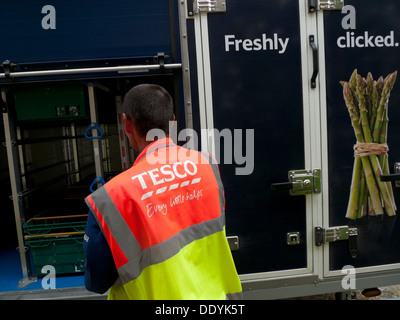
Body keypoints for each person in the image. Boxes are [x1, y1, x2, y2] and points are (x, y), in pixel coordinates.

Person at [83, 84, 242, 300]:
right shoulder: (207, 165)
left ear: (126, 123)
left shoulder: (112, 198)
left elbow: (97, 281)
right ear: (173, 122)